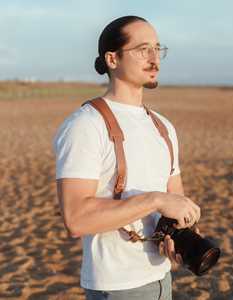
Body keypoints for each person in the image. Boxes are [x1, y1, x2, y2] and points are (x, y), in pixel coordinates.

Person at [53, 15, 201, 300]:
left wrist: (184, 229)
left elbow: (175, 198)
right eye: (142, 49)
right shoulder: (86, 124)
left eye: (158, 48)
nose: (154, 57)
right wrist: (156, 200)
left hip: (161, 277)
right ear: (112, 59)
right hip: (116, 286)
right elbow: (76, 219)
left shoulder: (163, 126)